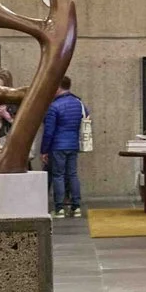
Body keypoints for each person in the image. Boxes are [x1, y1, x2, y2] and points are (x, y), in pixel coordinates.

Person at [41, 75, 87, 217]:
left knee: (58, 176)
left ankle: (59, 208)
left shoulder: (54, 106)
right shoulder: (79, 103)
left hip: (57, 146)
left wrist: (44, 150)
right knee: (72, 174)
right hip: (73, 144)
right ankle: (76, 207)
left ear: (58, 87)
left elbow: (48, 132)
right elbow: (86, 117)